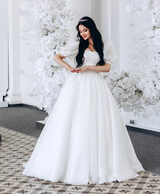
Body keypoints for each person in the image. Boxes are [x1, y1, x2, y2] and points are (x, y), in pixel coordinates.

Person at [22, 16, 144, 185]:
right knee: (76, 119)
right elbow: (57, 57)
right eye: (80, 31)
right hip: (77, 84)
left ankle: (102, 163)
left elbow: (107, 68)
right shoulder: (77, 45)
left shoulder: (104, 45)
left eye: (84, 30)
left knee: (98, 120)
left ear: (91, 28)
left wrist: (88, 67)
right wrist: (70, 68)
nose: (82, 34)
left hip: (96, 84)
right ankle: (73, 163)